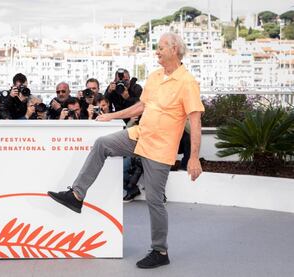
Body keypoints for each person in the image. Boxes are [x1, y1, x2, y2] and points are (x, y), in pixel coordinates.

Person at [48, 32, 205, 269]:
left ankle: (160, 251)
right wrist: (110, 116)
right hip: (139, 135)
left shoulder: (187, 82)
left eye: (161, 47)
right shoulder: (155, 76)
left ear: (174, 49)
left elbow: (194, 122)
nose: (157, 51)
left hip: (161, 148)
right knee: (102, 144)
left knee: (154, 200)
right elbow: (140, 106)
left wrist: (193, 157)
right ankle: (77, 195)